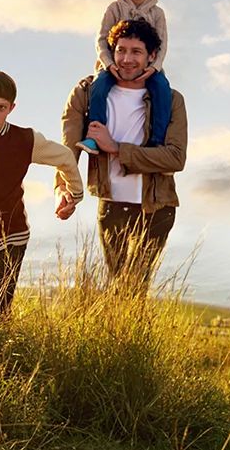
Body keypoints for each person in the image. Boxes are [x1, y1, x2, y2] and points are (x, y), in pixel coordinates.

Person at [61, 18, 187, 295]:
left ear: (152, 56)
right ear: (111, 52)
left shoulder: (171, 99)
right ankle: (120, 337)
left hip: (156, 207)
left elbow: (175, 158)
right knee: (118, 286)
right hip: (111, 205)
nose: (127, 59)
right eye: (121, 50)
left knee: (134, 287)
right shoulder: (89, 92)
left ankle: (134, 336)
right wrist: (64, 187)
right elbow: (68, 146)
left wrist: (116, 148)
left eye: (136, 52)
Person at [0, 70, 83, 319]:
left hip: (13, 234)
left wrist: (74, 195)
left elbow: (66, 158)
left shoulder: (24, 139)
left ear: (11, 108)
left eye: (1, 108)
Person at [77, 0, 172, 155]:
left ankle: (157, 142)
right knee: (99, 86)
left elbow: (162, 44)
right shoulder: (115, 8)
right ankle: (94, 136)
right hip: (114, 65)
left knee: (162, 89)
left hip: (148, 66)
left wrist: (154, 67)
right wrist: (108, 63)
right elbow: (101, 39)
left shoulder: (157, 13)